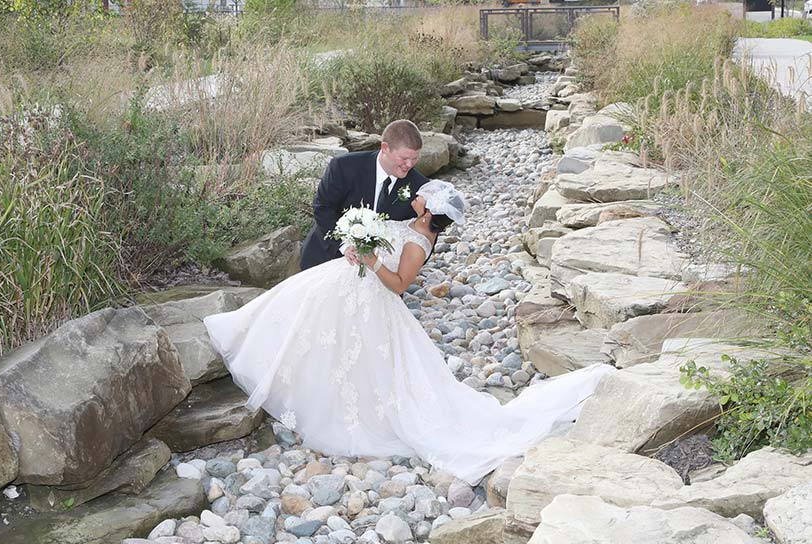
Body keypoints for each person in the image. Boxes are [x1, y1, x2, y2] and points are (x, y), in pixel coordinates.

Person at [204, 180, 615, 485]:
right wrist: (358, 247)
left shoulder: (421, 240)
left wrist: (369, 257)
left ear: (429, 208)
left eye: (423, 192)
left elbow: (399, 284)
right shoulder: (414, 224)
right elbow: (383, 248)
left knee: (352, 357)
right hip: (349, 284)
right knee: (298, 317)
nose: (416, 191)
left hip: (373, 300)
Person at [299, 120, 430, 270]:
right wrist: (344, 245)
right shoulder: (344, 167)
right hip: (325, 259)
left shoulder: (419, 186)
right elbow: (322, 207)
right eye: (404, 158)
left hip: (379, 275)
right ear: (385, 148)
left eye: (415, 159)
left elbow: (423, 238)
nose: (409, 165)